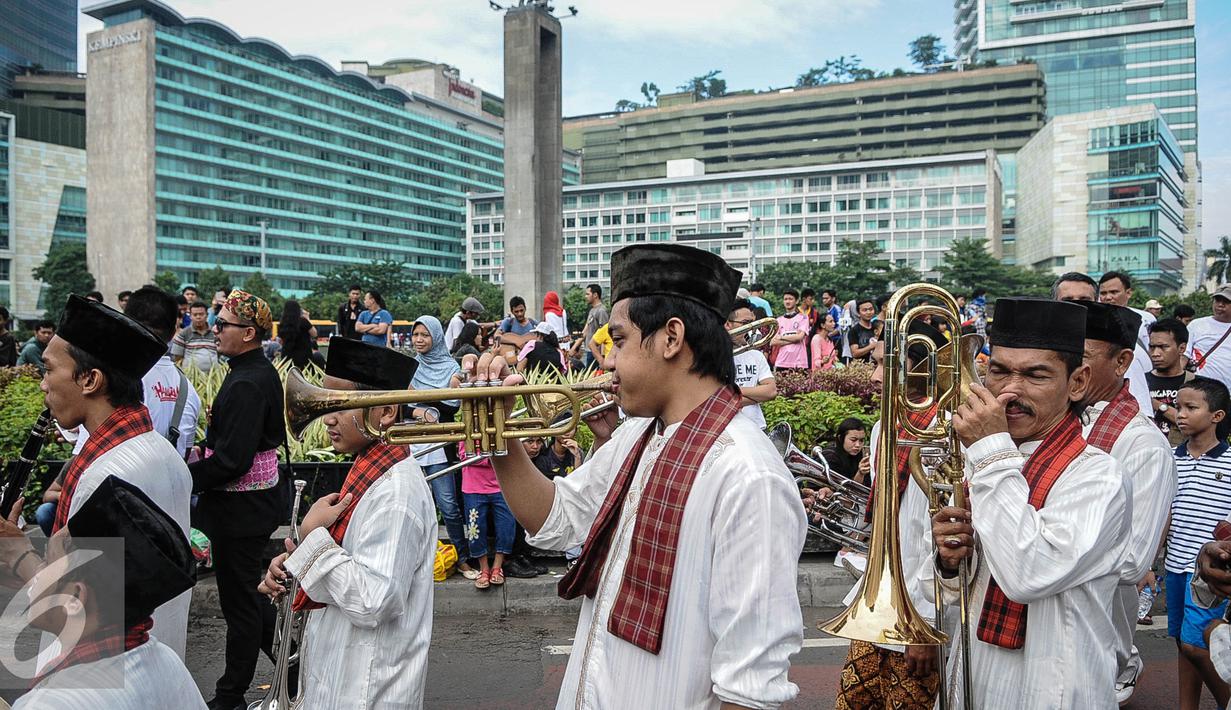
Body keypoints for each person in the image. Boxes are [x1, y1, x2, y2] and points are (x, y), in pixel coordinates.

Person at [476, 243, 806, 707]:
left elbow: (749, 689)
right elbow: (555, 520)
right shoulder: (640, 436)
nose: (607, 361)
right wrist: (499, 434)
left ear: (671, 338)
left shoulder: (748, 476)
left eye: (620, 340)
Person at [930, 297, 1129, 708]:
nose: (1010, 391)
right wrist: (951, 561)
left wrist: (989, 451)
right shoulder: (988, 458)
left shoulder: (1097, 474)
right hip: (973, 673)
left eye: (1036, 375)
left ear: (1077, 383)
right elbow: (964, 590)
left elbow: (1028, 573)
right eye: (998, 371)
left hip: (1052, 686)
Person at [258, 336, 435, 708]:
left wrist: (312, 540)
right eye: (325, 401)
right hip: (344, 675)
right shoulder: (369, 468)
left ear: (385, 412)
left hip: (367, 689)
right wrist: (296, 565)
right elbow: (349, 562)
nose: (328, 417)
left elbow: (374, 601)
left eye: (339, 403)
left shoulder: (395, 492)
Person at [39, 294, 194, 659]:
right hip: (156, 663)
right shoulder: (162, 452)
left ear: (90, 379)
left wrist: (12, 551)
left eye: (48, 369)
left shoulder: (105, 475)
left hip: (103, 674)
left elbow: (77, 608)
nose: (43, 384)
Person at [7, 476, 203, 708]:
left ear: (76, 598)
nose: (37, 571)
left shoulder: (50, 703)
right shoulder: (166, 661)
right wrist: (16, 553)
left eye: (47, 560)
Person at [188, 290, 286, 710]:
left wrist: (181, 476)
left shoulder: (247, 380)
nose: (215, 327)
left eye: (223, 323)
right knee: (248, 598)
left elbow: (231, 460)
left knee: (241, 605)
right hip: (246, 507)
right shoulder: (249, 371)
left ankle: (231, 696)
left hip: (241, 511)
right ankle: (297, 668)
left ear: (248, 333)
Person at [1076, 301, 1178, 704]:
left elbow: (1134, 559)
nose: (1070, 367)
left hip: (1096, 635)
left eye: (1081, 356)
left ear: (1121, 362)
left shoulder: (1143, 444)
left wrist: (1038, 544)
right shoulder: (1057, 420)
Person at [1165, 377, 1231, 710]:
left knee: (1198, 643)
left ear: (1217, 416)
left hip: (1209, 575)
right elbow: (1165, 511)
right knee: (1181, 641)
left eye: (1191, 407)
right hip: (1176, 566)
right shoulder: (1171, 458)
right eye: (1178, 406)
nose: (1181, 414)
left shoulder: (1229, 461)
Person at [408, 315, 476, 580]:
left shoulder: (451, 368)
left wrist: (424, 405)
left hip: (438, 445)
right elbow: (402, 404)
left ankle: (462, 559)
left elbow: (453, 407)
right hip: (412, 443)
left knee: (448, 505)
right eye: (416, 335)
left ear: (436, 337)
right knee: (414, 506)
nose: (419, 340)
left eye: (425, 335)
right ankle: (418, 561)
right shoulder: (411, 366)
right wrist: (419, 412)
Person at [122, 287, 203, 461]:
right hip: (172, 487)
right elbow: (186, 453)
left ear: (126, 324)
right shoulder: (188, 390)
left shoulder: (115, 381)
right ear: (174, 331)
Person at [1056, 271, 1154, 413]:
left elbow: (1141, 409)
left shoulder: (1117, 349)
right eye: (1068, 301)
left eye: (1084, 300)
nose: (1076, 307)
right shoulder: (1045, 349)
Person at [455, 443, 516, 589]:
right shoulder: (470, 428)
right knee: (475, 530)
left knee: (507, 526)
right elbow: (465, 455)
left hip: (502, 484)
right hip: (473, 486)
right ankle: (484, 569)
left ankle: (497, 567)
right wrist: (493, 458)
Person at [728, 298, 776, 428]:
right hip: (728, 429)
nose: (752, 329)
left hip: (757, 426)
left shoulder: (756, 355)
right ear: (728, 324)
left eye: (752, 323)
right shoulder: (714, 356)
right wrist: (757, 394)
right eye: (745, 323)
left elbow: (771, 391)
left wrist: (733, 392)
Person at [1148, 318, 1195, 446]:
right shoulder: (1141, 382)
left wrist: (1157, 405)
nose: (1156, 353)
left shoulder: (1196, 385)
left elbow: (1196, 424)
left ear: (1182, 348)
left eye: (1164, 347)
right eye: (1152, 347)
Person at [1187, 285, 1231, 388]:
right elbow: (1183, 357)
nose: (1220, 305)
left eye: (1226, 301)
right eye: (1217, 300)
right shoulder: (1196, 325)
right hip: (1200, 391)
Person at [171, 301, 220, 372]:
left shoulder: (215, 332)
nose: (198, 317)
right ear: (190, 316)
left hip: (213, 377)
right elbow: (178, 358)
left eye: (201, 314)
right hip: (190, 377)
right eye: (195, 314)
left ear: (207, 315)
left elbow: (220, 353)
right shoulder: (183, 334)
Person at [821, 418, 870, 483]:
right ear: (841, 438)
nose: (858, 445)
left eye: (861, 440)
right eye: (853, 440)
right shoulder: (830, 457)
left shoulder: (862, 456)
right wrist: (860, 473)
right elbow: (839, 487)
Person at [772, 289, 809, 371]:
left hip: (799, 362)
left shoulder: (803, 317)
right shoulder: (778, 320)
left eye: (790, 299)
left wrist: (781, 337)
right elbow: (773, 342)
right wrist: (794, 338)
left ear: (796, 301)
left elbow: (800, 337)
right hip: (782, 362)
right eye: (785, 299)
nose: (787, 301)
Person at [276, 300, 317, 369]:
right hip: (304, 357)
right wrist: (307, 318)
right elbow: (314, 334)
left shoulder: (282, 324)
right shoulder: (303, 321)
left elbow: (280, 340)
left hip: (287, 357)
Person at [582, 284, 609, 368]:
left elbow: (605, 334)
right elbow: (585, 331)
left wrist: (602, 357)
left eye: (587, 294)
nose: (585, 296)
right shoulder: (592, 310)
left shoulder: (601, 311)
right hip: (589, 351)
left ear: (595, 295)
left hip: (596, 353)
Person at [848, 298, 878, 363]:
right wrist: (871, 347)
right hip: (863, 367)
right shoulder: (854, 331)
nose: (868, 312)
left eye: (871, 309)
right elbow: (854, 353)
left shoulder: (878, 326)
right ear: (858, 313)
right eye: (865, 310)